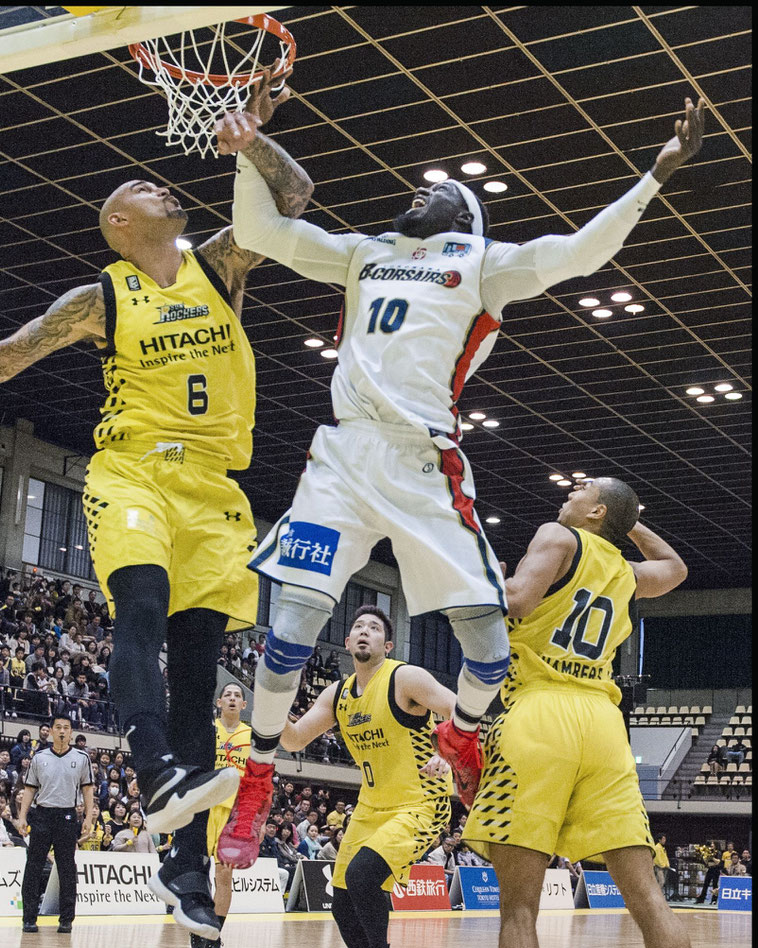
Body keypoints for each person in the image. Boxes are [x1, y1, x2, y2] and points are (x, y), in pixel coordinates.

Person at [0, 69, 313, 943]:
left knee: (196, 669)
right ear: (120, 224)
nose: (159, 184)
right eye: (140, 187)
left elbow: (294, 196)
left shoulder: (221, 263)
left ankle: (181, 867)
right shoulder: (102, 295)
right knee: (140, 610)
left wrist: (251, 138)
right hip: (134, 473)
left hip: (217, 493)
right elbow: (6, 354)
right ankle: (154, 777)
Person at [213, 95, 708, 868]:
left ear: (464, 217)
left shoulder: (480, 263)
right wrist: (247, 151)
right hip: (343, 458)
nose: (420, 189)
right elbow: (260, 232)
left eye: (437, 188)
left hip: (423, 462)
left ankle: (461, 736)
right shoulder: (364, 251)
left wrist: (654, 176)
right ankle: (260, 771)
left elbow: (579, 252)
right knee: (290, 631)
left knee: (487, 651)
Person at [459, 477, 731, 948]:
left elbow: (519, 603)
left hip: (539, 718)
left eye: (583, 489)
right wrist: (627, 525)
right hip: (605, 728)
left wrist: (479, 580)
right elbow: (676, 568)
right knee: (648, 898)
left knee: (519, 911)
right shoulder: (621, 570)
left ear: (594, 511)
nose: (569, 491)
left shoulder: (557, 536)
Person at [278, 605, 455, 948]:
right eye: (357, 627)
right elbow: (293, 741)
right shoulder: (337, 694)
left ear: (387, 644)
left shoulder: (405, 677)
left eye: (374, 629)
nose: (364, 632)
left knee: (363, 876)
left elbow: (461, 711)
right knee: (340, 904)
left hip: (422, 801)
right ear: (346, 642)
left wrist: (449, 754)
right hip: (372, 806)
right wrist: (274, 699)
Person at [188, 682, 251, 948]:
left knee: (224, 877)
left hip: (233, 814)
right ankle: (198, 921)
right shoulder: (206, 731)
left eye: (238, 695)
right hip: (201, 809)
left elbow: (257, 780)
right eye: (228, 695)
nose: (233, 699)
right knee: (198, 874)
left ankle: (213, 938)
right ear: (219, 702)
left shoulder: (251, 736)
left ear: (244, 705)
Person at [15, 714, 94, 933]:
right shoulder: (39, 758)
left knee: (67, 868)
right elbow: (29, 788)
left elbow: (88, 789)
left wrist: (88, 818)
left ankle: (66, 919)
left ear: (71, 732)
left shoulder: (81, 758)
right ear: (50, 731)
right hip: (42, 814)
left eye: (66, 728)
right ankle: (28, 918)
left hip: (68, 816)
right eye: (57, 727)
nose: (61, 731)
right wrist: (22, 817)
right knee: (33, 866)